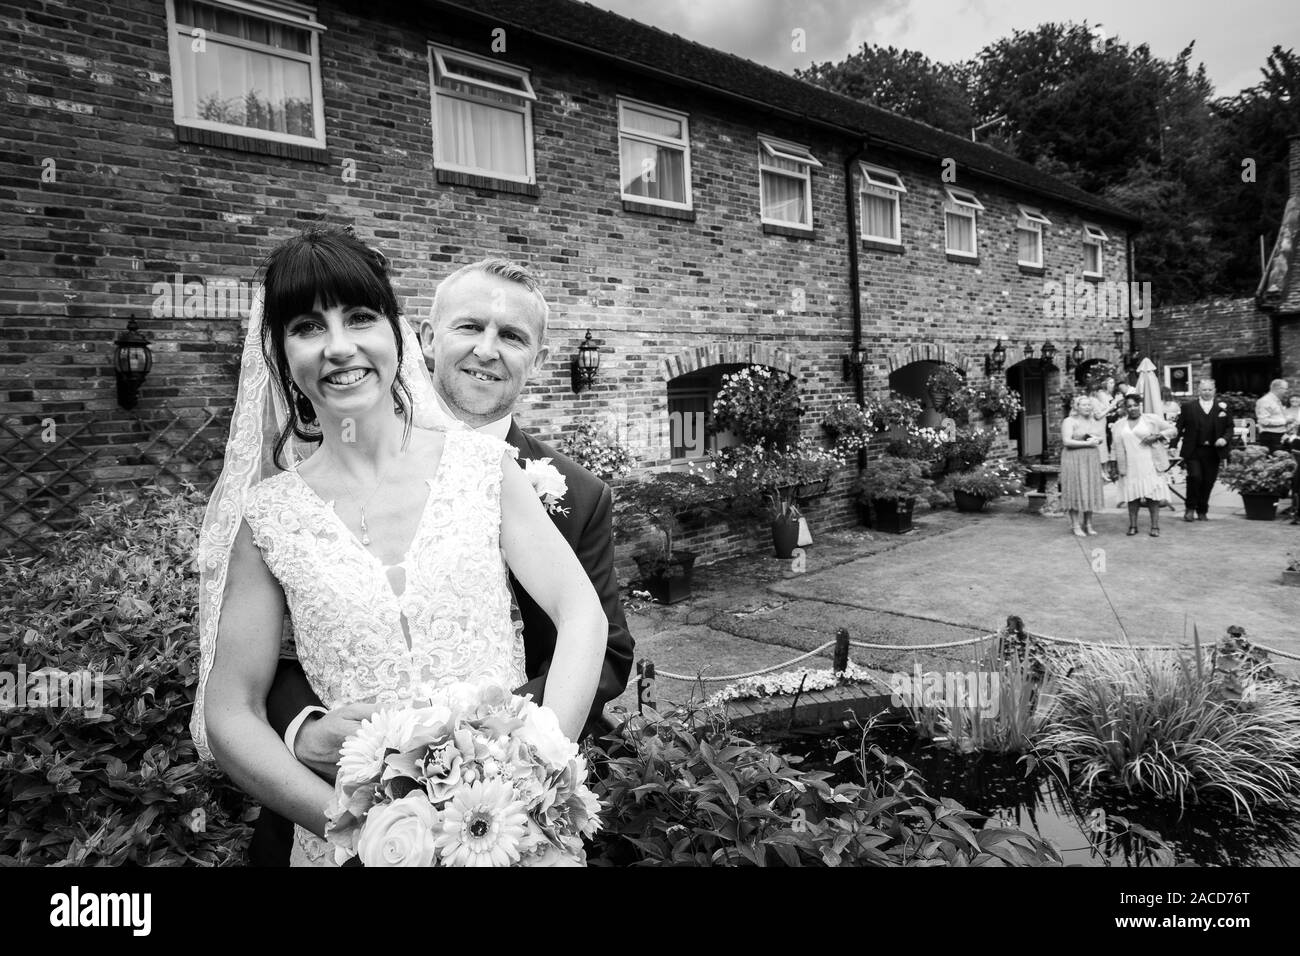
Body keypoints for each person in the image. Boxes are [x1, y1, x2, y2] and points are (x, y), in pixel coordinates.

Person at [194, 231, 611, 867]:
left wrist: (533, 773)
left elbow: (582, 612)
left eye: (360, 317)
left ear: (397, 334)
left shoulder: (481, 468)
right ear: (281, 355)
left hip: (508, 835)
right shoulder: (269, 518)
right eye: (309, 326)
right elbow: (230, 713)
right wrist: (365, 831)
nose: (340, 347)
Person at [1111, 393, 1177, 536]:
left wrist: (1157, 436)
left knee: (1152, 496)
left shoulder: (1151, 419)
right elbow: (1114, 447)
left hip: (1150, 462)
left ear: (1140, 405)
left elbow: (1173, 430)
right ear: (1125, 408)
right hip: (1129, 464)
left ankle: (1155, 526)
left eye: (1135, 405)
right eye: (1129, 406)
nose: (1133, 408)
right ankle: (1133, 525)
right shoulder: (1119, 424)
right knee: (1132, 496)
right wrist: (1113, 465)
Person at [1175, 379, 1233, 521]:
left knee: (1208, 481)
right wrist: (1172, 444)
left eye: (1209, 390)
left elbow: (1229, 427)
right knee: (1195, 477)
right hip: (1193, 449)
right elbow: (1179, 427)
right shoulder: (1188, 407)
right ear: (1198, 391)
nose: (1206, 392)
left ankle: (1202, 510)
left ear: (1214, 390)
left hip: (1213, 451)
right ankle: (1190, 508)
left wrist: (1224, 439)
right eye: (1204, 390)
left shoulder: (1223, 407)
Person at [1059, 395, 1106, 537]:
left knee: (1089, 488)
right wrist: (1087, 443)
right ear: (1076, 407)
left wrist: (1098, 440)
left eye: (1089, 405)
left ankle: (1088, 523)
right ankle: (1075, 524)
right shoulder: (1069, 421)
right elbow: (1066, 441)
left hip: (1091, 458)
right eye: (1084, 405)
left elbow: (1100, 437)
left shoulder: (1093, 421)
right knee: (1075, 488)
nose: (1087, 407)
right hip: (1073, 458)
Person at [1255, 379, 1289, 452]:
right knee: (1273, 461)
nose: (1286, 391)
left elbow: (1276, 416)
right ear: (1278, 388)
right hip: (1271, 436)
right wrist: (1285, 421)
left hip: (1279, 435)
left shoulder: (1276, 400)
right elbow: (1264, 421)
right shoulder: (1265, 401)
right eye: (1285, 389)